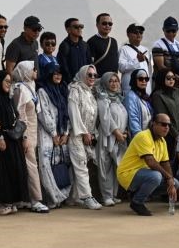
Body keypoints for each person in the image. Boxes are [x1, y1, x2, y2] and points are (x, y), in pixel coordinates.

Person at [0, 70, 29, 215]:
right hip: (0, 140)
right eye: (6, 81)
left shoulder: (6, 98)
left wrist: (23, 137)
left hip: (13, 139)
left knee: (15, 170)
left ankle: (11, 200)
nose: (9, 84)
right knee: (1, 172)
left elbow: (15, 117)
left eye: (10, 82)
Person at [116, 114, 179, 216]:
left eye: (169, 125)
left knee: (175, 183)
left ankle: (136, 194)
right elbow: (151, 162)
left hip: (144, 174)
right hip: (128, 174)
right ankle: (137, 202)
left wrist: (170, 179)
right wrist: (168, 177)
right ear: (153, 124)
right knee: (156, 176)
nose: (166, 127)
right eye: (163, 124)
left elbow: (165, 163)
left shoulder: (162, 141)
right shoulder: (143, 136)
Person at [11, 61, 50, 213]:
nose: (35, 70)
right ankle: (36, 200)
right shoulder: (20, 89)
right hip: (26, 135)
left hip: (34, 134)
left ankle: (25, 198)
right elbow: (21, 115)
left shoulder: (30, 87)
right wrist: (25, 137)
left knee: (29, 165)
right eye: (32, 69)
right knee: (31, 166)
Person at [35, 62, 72, 208]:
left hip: (62, 134)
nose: (58, 76)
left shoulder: (63, 90)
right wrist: (54, 133)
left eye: (60, 73)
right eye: (55, 73)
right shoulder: (43, 91)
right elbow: (44, 113)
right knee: (46, 164)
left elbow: (67, 113)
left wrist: (66, 132)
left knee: (61, 163)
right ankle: (53, 197)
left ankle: (61, 196)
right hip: (47, 134)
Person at [67, 65, 103, 210]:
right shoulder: (75, 90)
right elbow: (74, 113)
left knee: (81, 165)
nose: (92, 78)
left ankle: (74, 197)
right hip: (76, 135)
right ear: (83, 75)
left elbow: (92, 116)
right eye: (89, 75)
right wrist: (84, 132)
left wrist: (92, 132)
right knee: (81, 165)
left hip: (87, 134)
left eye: (95, 75)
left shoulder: (90, 92)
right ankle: (87, 196)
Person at [96, 72, 128, 207]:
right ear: (105, 83)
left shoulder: (119, 99)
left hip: (119, 138)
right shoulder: (103, 99)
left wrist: (124, 131)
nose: (114, 84)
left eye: (116, 81)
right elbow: (106, 119)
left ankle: (113, 194)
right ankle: (106, 196)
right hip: (107, 137)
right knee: (105, 167)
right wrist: (116, 132)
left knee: (116, 167)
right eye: (111, 81)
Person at [151, 67, 179, 171]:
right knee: (168, 162)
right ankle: (168, 184)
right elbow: (163, 116)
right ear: (162, 79)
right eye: (168, 78)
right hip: (167, 135)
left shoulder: (178, 91)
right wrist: (176, 134)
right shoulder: (157, 95)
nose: (171, 80)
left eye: (173, 78)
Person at [152, 17, 179, 86]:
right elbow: (161, 67)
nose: (171, 33)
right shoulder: (158, 44)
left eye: (173, 31)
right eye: (168, 31)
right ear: (163, 30)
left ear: (177, 30)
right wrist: (177, 78)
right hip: (164, 82)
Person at [118, 24, 151, 95]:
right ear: (128, 34)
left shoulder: (146, 50)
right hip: (130, 89)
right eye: (136, 32)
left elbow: (149, 71)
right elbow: (121, 68)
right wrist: (137, 61)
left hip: (146, 89)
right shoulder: (123, 49)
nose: (138, 34)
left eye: (141, 32)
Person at [56, 18, 91, 82]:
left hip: (85, 83)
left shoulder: (85, 45)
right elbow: (63, 67)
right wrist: (71, 82)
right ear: (68, 30)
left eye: (81, 26)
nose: (79, 29)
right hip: (71, 84)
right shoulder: (64, 46)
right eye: (76, 27)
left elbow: (89, 64)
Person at [124, 69, 154, 138]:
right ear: (134, 80)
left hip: (148, 135)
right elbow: (133, 118)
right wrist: (139, 137)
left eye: (146, 79)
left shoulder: (146, 96)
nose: (144, 81)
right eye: (140, 79)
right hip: (139, 137)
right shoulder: (131, 97)